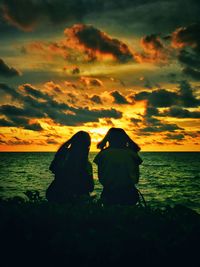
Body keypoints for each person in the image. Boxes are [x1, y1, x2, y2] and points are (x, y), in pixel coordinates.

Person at [94, 128, 142, 205]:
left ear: (109, 139)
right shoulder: (132, 154)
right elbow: (136, 175)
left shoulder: (103, 154)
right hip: (129, 192)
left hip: (109, 192)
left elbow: (101, 175)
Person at [46, 131, 94, 203]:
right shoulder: (86, 164)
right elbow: (90, 187)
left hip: (55, 192)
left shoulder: (63, 155)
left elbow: (52, 168)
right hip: (74, 197)